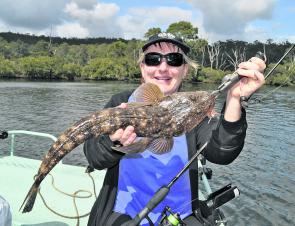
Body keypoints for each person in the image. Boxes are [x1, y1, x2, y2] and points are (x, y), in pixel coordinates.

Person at [84, 32, 266, 226]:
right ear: (142, 67)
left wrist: (234, 98)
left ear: (185, 69)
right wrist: (114, 141)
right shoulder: (121, 103)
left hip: (181, 216)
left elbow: (222, 152)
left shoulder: (196, 110)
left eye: (174, 59)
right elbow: (94, 157)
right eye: (153, 59)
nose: (163, 68)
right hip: (122, 213)